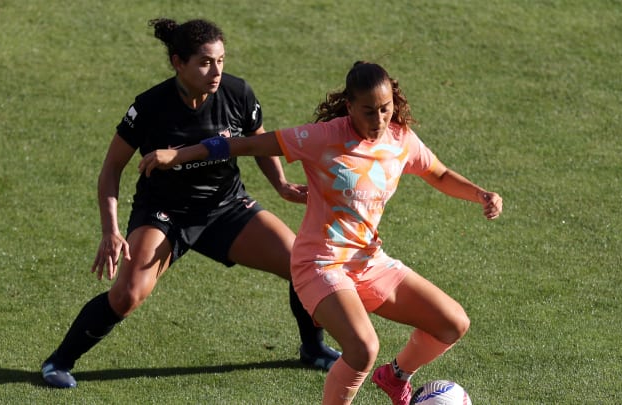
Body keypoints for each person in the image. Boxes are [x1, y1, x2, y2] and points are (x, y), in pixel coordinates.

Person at [139, 61, 503, 404]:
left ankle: (395, 376)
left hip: (367, 261)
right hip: (320, 263)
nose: (379, 119)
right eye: (368, 110)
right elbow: (247, 144)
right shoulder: (322, 137)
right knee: (362, 349)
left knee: (452, 323)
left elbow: (437, 173)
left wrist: (480, 194)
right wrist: (181, 155)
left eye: (386, 108)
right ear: (349, 106)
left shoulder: (400, 140)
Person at [40, 17, 340, 389]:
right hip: (165, 215)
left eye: (221, 60)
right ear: (177, 63)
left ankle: (312, 348)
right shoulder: (149, 107)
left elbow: (258, 141)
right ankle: (58, 361)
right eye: (204, 62)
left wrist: (280, 183)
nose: (215, 71)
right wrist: (111, 230)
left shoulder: (237, 93)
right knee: (128, 294)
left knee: (302, 264)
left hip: (226, 207)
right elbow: (111, 170)